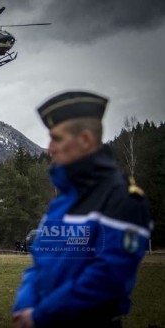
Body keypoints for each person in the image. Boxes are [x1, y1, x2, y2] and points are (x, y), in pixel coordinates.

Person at [12, 91, 152, 328]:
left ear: (85, 140)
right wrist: (23, 306)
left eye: (57, 139)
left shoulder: (122, 200)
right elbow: (39, 263)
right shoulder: (62, 202)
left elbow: (107, 278)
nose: (49, 148)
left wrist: (40, 315)